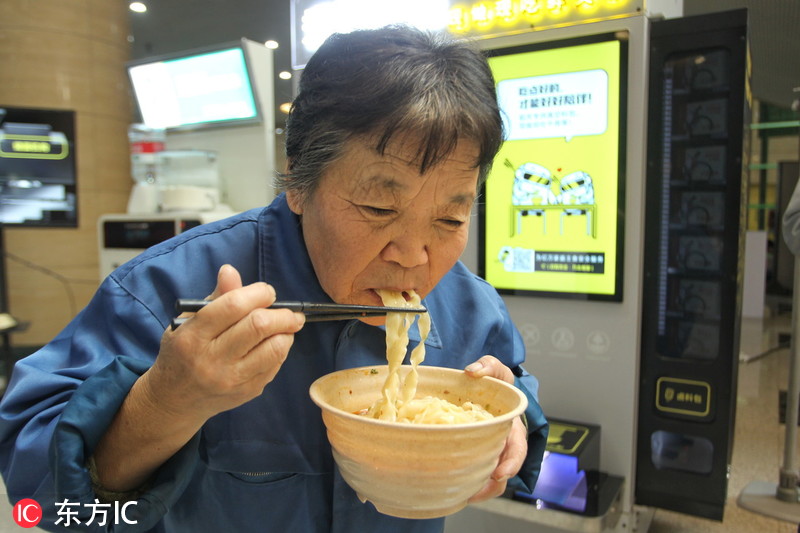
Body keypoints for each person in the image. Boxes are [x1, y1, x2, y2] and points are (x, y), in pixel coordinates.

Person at [0, 25, 547, 532]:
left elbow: (515, 389)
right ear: (298, 180)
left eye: (449, 219)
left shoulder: (470, 307)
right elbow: (37, 498)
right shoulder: (162, 290)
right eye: (379, 207)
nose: (413, 256)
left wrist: (510, 422)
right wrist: (166, 404)